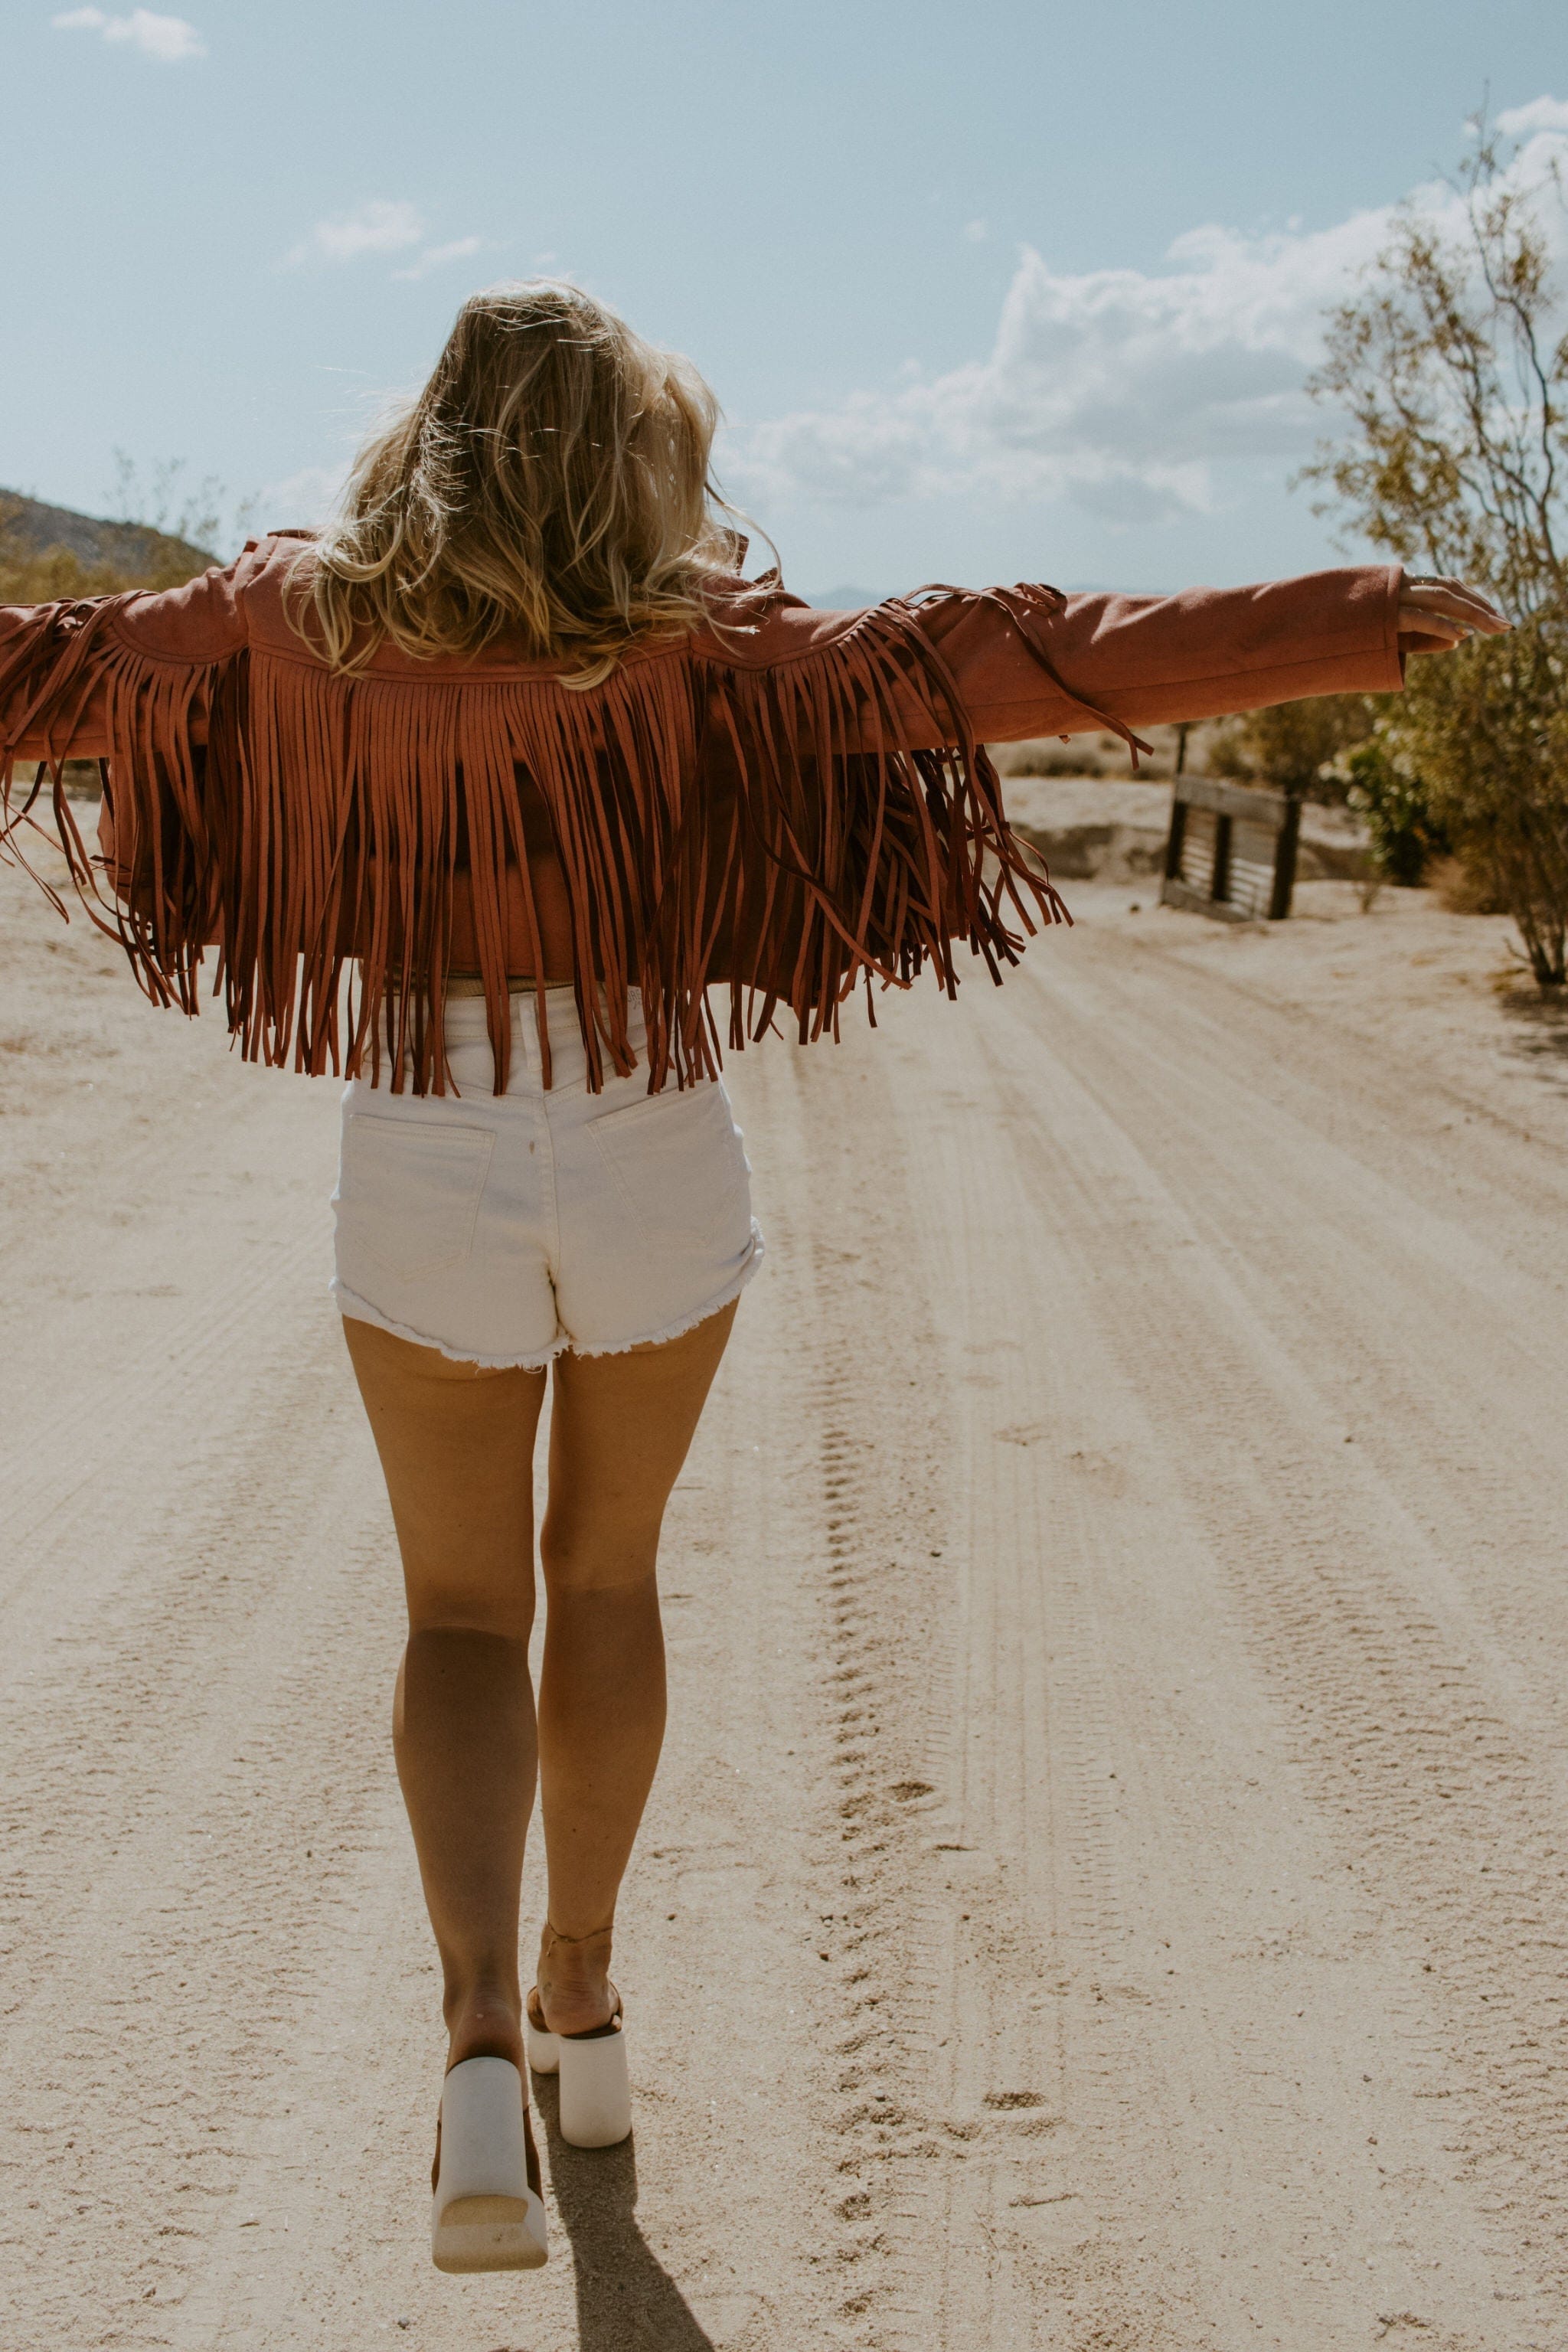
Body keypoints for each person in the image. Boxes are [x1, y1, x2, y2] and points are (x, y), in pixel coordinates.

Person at [0, 280, 1506, 2276]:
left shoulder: (296, 613)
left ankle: (467, 2051)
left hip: (425, 1141)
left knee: (458, 1615)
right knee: (601, 1580)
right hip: (640, 1131)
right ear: (634, 450)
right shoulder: (706, 641)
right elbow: (1015, 654)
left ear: (426, 434)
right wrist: (1360, 610)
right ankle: (584, 2006)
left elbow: (35, 672)